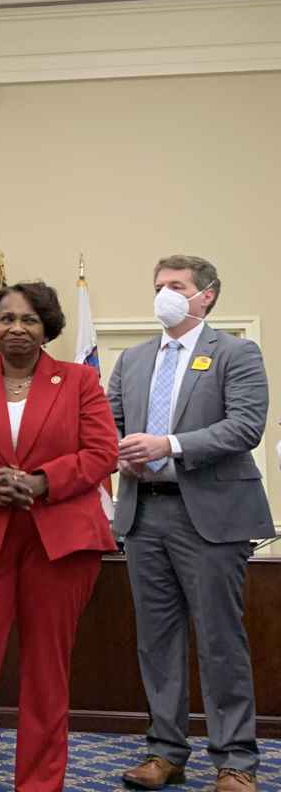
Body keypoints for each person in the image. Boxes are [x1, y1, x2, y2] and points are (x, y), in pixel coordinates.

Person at [0, 281, 118, 792]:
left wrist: (41, 481)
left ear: (47, 327)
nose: (17, 328)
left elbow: (101, 453)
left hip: (60, 543)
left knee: (46, 673)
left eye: (29, 319)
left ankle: (39, 785)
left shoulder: (79, 381)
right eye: (7, 319)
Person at [110, 256, 271, 792]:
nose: (165, 295)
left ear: (208, 296)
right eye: (158, 286)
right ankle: (165, 752)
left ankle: (235, 762)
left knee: (221, 640)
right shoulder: (131, 360)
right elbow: (106, 425)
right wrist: (119, 452)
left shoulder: (236, 352)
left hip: (210, 515)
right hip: (142, 511)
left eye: (176, 286)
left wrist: (169, 445)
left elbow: (246, 425)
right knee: (156, 641)